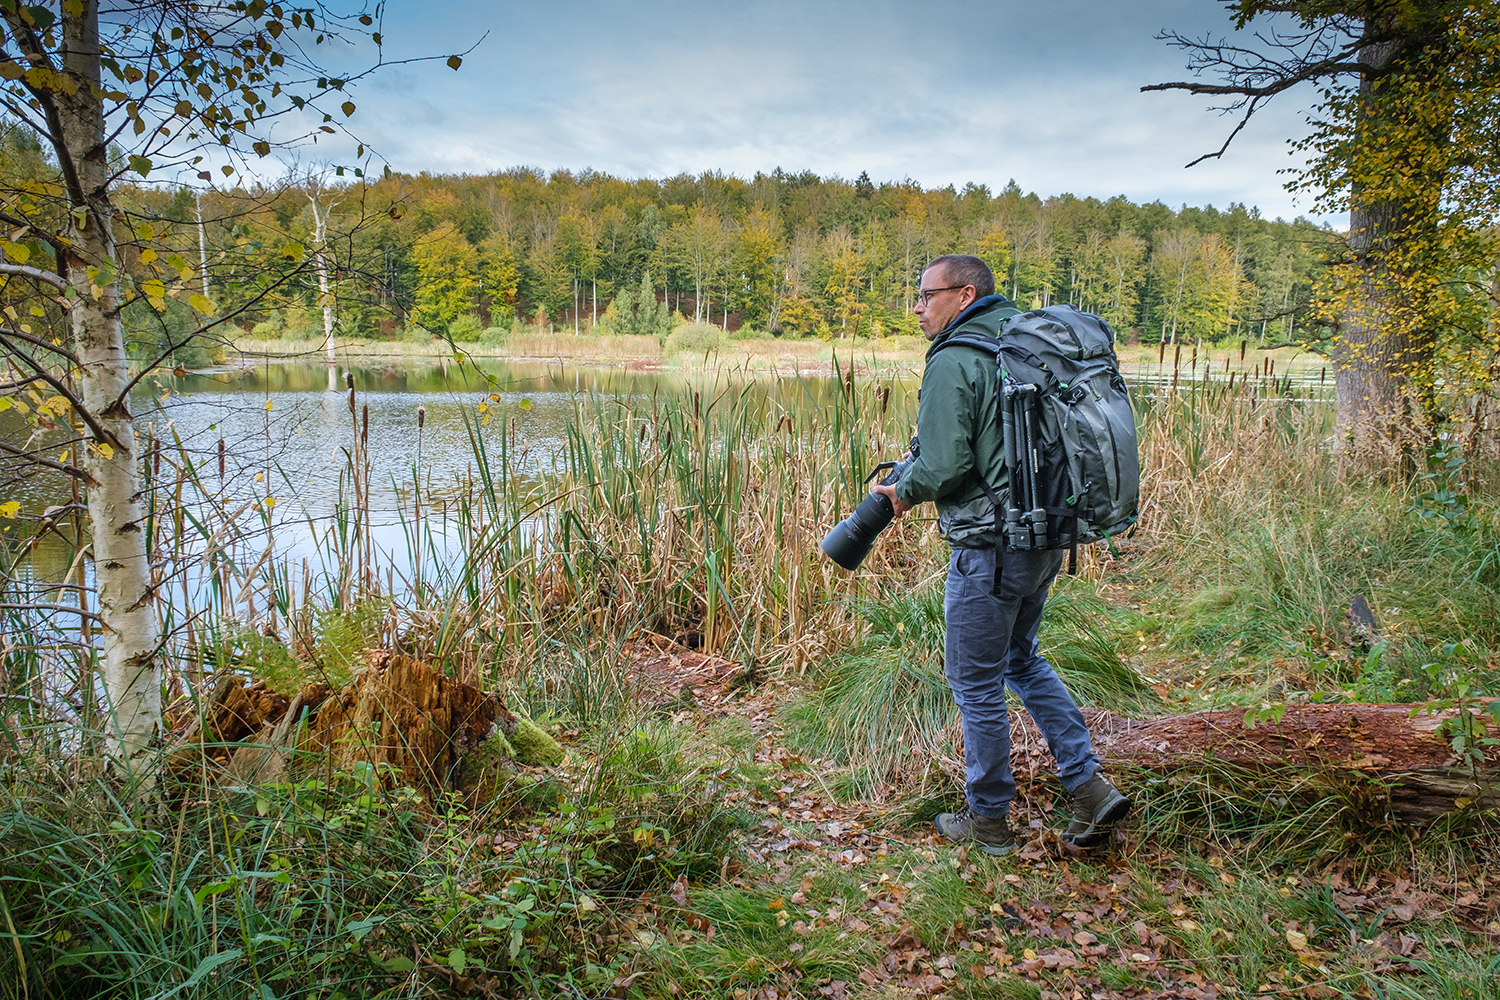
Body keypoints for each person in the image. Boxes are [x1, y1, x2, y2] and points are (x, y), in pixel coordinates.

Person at [871, 254, 1130, 855]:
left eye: (925, 294)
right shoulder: (1024, 343)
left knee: (976, 684)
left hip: (988, 548)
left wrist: (899, 492)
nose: (917, 306)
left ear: (963, 295)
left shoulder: (957, 360)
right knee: (1022, 660)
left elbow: (941, 465)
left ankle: (987, 822)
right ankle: (1088, 787)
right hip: (1043, 538)